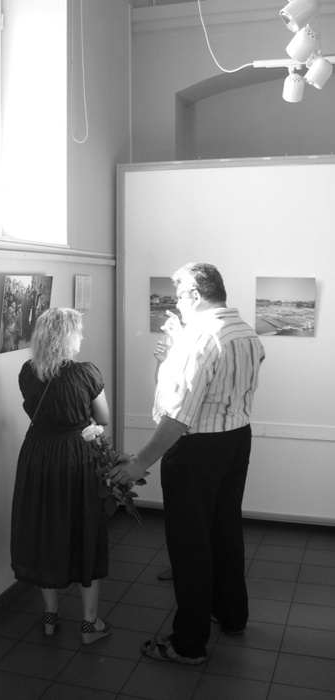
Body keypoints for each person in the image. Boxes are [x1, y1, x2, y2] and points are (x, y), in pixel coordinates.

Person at [109, 262, 265, 664]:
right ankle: (231, 614)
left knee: (189, 544)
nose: (176, 303)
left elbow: (178, 417)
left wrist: (139, 462)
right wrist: (176, 352)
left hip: (196, 449)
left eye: (179, 295)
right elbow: (226, 385)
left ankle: (188, 644)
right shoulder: (244, 331)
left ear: (195, 294)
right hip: (236, 440)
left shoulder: (200, 338)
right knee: (224, 530)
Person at [10, 307, 112, 645]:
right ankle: (89, 624)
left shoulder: (27, 372)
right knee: (85, 528)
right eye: (78, 332)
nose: (82, 337)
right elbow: (102, 417)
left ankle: (51, 616)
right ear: (68, 337)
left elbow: (35, 410)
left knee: (45, 527)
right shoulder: (86, 373)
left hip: (37, 455)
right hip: (74, 456)